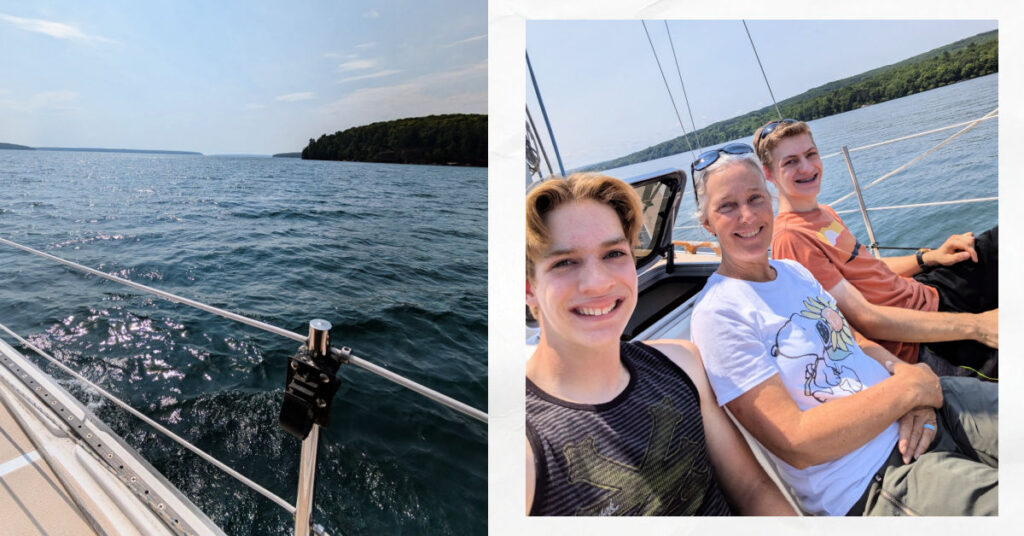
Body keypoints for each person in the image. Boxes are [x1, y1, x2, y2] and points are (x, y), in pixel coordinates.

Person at [688, 146, 997, 516]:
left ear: (770, 202)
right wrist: (908, 392)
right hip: (874, 477)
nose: (747, 215)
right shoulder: (719, 313)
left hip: (922, 403)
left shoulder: (794, 273)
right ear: (706, 223)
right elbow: (797, 441)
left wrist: (907, 377)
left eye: (756, 198)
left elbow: (853, 338)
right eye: (727, 206)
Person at [524, 172, 795, 516]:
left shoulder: (682, 364)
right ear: (529, 287)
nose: (597, 282)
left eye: (613, 254)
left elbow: (752, 489)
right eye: (565, 262)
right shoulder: (527, 448)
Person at [753, 119, 998, 379]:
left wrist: (928, 258)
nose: (806, 167)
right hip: (918, 338)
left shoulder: (824, 213)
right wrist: (977, 326)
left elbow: (868, 265)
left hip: (926, 291)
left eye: (810, 154)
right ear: (768, 174)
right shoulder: (792, 238)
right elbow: (864, 318)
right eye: (790, 162)